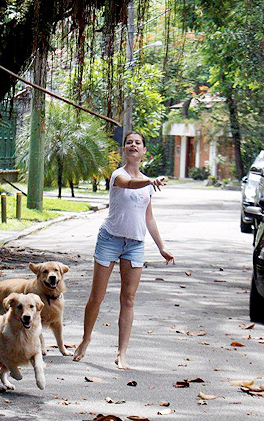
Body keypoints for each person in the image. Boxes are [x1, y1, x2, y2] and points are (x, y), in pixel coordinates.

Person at [73, 131, 175, 369]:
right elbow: (129, 185)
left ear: (144, 151)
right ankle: (85, 340)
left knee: (128, 298)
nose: (133, 145)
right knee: (96, 297)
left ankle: (122, 353)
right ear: (124, 149)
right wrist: (150, 181)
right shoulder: (118, 175)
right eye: (129, 142)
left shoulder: (148, 184)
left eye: (138, 143)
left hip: (135, 244)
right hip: (110, 239)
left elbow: (148, 218)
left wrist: (162, 247)